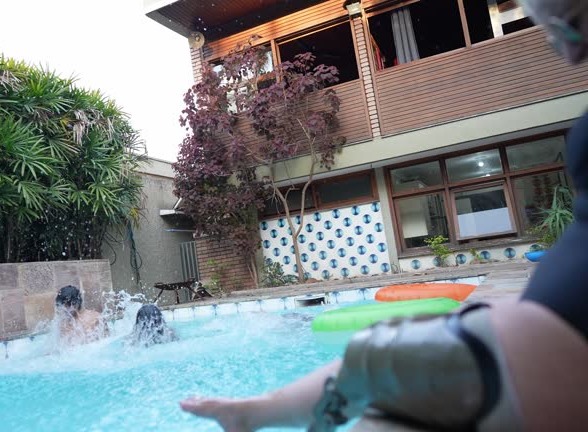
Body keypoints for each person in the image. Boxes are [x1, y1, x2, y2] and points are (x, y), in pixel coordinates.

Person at [180, 1, 588, 430]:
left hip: (558, 346)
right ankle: (255, 413)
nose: (568, 54)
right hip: (547, 337)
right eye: (551, 35)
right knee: (380, 418)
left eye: (571, 28)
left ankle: (257, 415)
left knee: (382, 354)